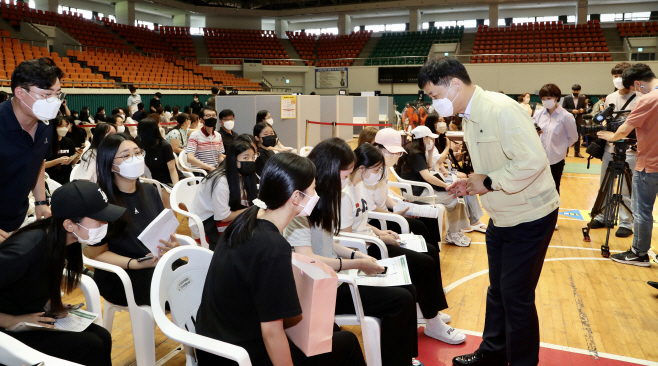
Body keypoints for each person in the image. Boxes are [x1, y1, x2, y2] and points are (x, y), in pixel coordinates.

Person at [418, 57, 560, 366]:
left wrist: (489, 181)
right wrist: (470, 184)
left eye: (434, 96)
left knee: (516, 297)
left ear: (454, 85)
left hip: (530, 214)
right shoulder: (469, 116)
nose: (434, 104)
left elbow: (533, 162)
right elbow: (491, 168)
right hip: (503, 214)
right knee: (498, 291)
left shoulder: (501, 110)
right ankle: (493, 354)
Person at [195, 153, 365, 366]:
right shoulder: (272, 246)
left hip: (217, 346)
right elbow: (272, 333)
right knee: (347, 343)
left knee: (330, 331)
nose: (316, 195)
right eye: (312, 189)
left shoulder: (245, 221)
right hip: (243, 354)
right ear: (295, 197)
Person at [0, 180, 121, 366]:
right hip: (7, 331)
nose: (106, 223)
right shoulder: (22, 252)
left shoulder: (64, 242)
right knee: (90, 346)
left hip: (31, 316)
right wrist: (11, 320)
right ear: (70, 225)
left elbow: (31, 282)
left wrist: (50, 304)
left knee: (102, 336)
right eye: (99, 218)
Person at [86, 133, 182, 306]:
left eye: (137, 153)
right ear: (110, 165)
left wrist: (171, 245)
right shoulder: (101, 201)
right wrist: (135, 264)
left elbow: (162, 231)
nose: (135, 159)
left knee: (199, 276)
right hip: (121, 274)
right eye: (126, 155)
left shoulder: (150, 190)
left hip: (154, 263)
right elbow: (96, 254)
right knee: (182, 292)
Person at [598, 63, 658, 267]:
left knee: (642, 211)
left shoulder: (648, 99)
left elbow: (624, 130)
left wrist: (611, 136)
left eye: (634, 88)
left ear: (638, 83)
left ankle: (638, 253)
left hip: (650, 164)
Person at [0, 57, 61, 243]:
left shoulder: (46, 123)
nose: (53, 101)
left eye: (57, 94)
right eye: (46, 95)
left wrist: (40, 201)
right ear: (20, 92)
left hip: (17, 217)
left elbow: (38, 160)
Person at [396, 126, 472, 246]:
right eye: (431, 139)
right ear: (424, 138)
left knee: (456, 197)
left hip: (420, 190)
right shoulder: (416, 155)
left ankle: (455, 232)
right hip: (418, 194)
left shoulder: (415, 151)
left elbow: (429, 167)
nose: (433, 141)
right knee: (455, 197)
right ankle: (453, 234)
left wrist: (431, 152)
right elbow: (427, 176)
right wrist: (447, 185)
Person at [589, 62, 639, 238]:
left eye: (621, 75)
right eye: (614, 76)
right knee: (605, 184)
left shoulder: (640, 98)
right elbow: (606, 121)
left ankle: (627, 222)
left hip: (631, 151)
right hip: (609, 148)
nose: (617, 79)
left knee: (627, 187)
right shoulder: (610, 98)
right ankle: (603, 215)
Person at [189, 141, 258, 250]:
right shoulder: (221, 180)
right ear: (233, 159)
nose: (251, 161)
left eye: (253, 157)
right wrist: (252, 209)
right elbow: (223, 216)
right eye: (246, 157)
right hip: (206, 223)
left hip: (218, 215)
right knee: (251, 231)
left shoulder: (240, 175)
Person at [425, 114, 487, 233]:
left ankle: (473, 219)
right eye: (439, 121)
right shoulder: (429, 141)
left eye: (443, 120)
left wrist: (453, 155)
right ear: (432, 124)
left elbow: (441, 161)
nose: (443, 123)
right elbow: (437, 161)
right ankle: (473, 220)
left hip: (440, 171)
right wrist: (448, 148)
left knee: (467, 179)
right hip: (435, 174)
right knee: (466, 181)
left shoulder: (439, 139)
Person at [534, 83, 578, 222]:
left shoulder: (566, 116)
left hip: (555, 159)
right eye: (543, 98)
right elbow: (532, 130)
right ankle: (537, 217)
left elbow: (573, 137)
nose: (546, 100)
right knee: (537, 189)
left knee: (553, 189)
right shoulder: (538, 113)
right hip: (538, 158)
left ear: (556, 97)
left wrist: (561, 148)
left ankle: (551, 219)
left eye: (549, 97)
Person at [138, 118, 183, 208]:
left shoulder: (164, 146)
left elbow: (172, 169)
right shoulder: (143, 146)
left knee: (165, 204)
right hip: (156, 183)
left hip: (169, 182)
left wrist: (175, 188)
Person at [186, 107, 225, 172]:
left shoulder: (218, 135)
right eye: (208, 116)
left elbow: (219, 157)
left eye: (213, 115)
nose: (211, 118)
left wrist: (228, 162)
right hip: (200, 172)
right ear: (201, 119)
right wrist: (210, 168)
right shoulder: (195, 135)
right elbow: (190, 158)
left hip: (214, 170)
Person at [45, 117, 80, 184]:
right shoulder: (47, 143)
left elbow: (72, 163)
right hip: (51, 179)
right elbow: (42, 166)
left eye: (66, 126)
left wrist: (77, 156)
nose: (64, 128)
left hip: (67, 177)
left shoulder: (68, 141)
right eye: (61, 126)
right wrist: (58, 161)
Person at [561, 84, 586, 158]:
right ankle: (565, 152)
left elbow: (585, 107)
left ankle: (577, 152)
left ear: (580, 90)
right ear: (572, 90)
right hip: (569, 119)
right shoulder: (566, 98)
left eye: (577, 91)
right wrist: (572, 111)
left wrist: (583, 110)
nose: (576, 92)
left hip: (578, 119)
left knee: (577, 136)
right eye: (574, 90)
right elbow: (564, 108)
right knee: (567, 136)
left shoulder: (582, 98)